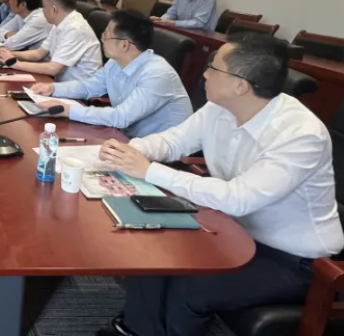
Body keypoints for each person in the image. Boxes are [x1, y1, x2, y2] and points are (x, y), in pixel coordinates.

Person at [96, 33, 344, 336]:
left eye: (214, 67)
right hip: (236, 230)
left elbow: (238, 198)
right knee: (155, 250)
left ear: (241, 85)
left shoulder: (300, 134)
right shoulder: (220, 106)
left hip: (294, 259)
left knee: (190, 289)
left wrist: (149, 171)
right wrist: (131, 151)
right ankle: (136, 330)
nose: (204, 73)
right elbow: (174, 141)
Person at [31, 9, 192, 137]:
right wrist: (53, 89)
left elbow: (121, 117)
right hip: (126, 140)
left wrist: (67, 110)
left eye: (106, 36)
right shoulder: (115, 63)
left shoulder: (157, 74)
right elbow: (88, 87)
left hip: (164, 157)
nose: (102, 40)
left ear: (124, 45)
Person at [0, 0, 101, 81]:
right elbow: (38, 54)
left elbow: (53, 68)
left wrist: (15, 63)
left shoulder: (75, 29)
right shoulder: (60, 23)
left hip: (80, 90)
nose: (42, 11)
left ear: (54, 10)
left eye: (44, 7)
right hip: (60, 83)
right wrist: (9, 54)